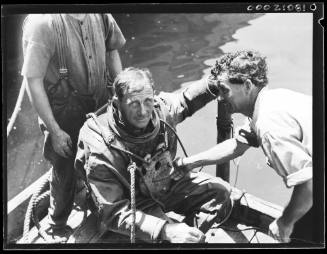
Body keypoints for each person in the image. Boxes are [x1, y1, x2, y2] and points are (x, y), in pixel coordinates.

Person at [74, 67, 233, 243]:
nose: (143, 111)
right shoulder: (101, 147)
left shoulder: (161, 111)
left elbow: (185, 100)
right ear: (117, 103)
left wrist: (215, 82)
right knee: (167, 239)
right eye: (134, 103)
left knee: (221, 193)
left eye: (147, 101)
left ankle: (191, 231)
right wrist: (166, 230)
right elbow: (114, 212)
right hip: (131, 203)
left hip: (165, 183)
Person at [174, 50, 313, 244]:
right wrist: (187, 163)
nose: (220, 99)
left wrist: (284, 223)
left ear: (247, 86)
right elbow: (236, 146)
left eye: (224, 90)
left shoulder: (268, 125)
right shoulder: (272, 101)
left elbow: (309, 184)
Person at [21, 13, 125, 242]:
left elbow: (112, 52)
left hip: (98, 105)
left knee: (106, 157)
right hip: (62, 114)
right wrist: (55, 131)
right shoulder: (43, 24)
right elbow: (33, 80)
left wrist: (122, 96)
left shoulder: (101, 15)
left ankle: (100, 203)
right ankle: (56, 223)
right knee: (64, 168)